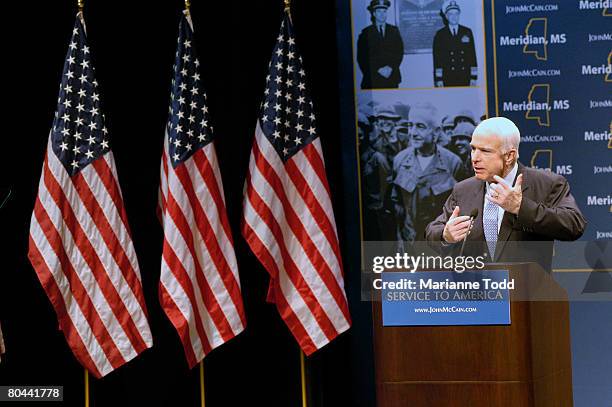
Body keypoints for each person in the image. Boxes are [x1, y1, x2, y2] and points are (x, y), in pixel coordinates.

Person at [425, 117, 586, 271]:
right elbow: (432, 230)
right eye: (473, 148)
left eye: (485, 151)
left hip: (526, 294)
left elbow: (574, 225)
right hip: (475, 293)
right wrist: (445, 235)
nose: (474, 158)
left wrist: (521, 207)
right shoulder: (463, 190)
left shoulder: (547, 184)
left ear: (509, 156)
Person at [392, 103, 462, 243]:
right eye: (410, 126)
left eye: (420, 126)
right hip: (408, 243)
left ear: (436, 132)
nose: (412, 132)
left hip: (440, 244)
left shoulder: (452, 163)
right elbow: (396, 206)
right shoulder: (400, 161)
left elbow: (461, 208)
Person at [357, 0, 404, 89]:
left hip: (391, 77)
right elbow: (362, 57)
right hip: (373, 78)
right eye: (379, 11)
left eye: (384, 11)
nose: (382, 14)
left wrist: (390, 67)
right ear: (374, 14)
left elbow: (399, 52)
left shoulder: (394, 31)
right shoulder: (365, 33)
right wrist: (378, 69)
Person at [432, 0, 477, 87]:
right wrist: (439, 79)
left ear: (459, 15)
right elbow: (437, 59)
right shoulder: (440, 34)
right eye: (451, 14)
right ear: (446, 16)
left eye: (456, 13)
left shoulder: (467, 31)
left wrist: (473, 77)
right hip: (448, 77)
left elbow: (472, 55)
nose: (454, 17)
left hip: (465, 76)